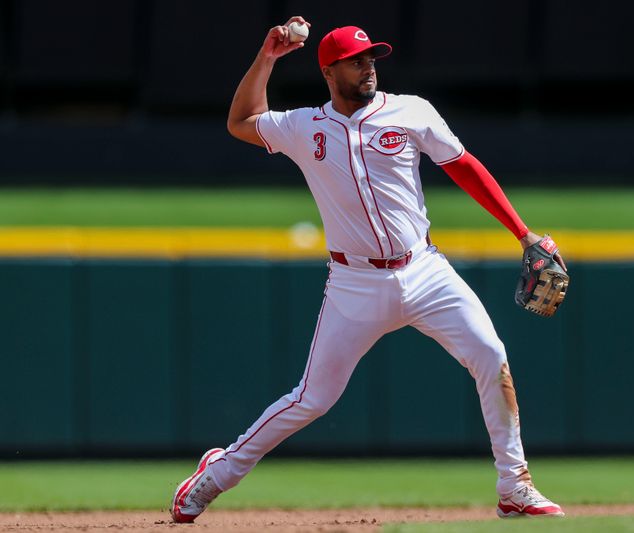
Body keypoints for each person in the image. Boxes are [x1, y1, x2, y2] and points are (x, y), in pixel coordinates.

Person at [171, 16, 567, 523]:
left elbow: (463, 165)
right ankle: (214, 475)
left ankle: (515, 487)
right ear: (329, 71)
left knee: (491, 356)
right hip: (354, 282)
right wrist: (267, 58)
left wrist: (523, 232)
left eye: (371, 57)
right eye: (356, 60)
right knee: (313, 399)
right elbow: (241, 122)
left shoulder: (411, 112)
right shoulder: (303, 126)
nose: (368, 67)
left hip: (425, 270)